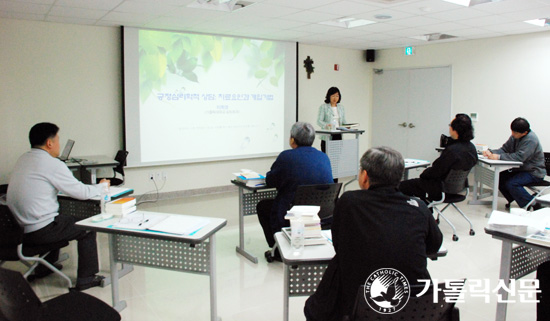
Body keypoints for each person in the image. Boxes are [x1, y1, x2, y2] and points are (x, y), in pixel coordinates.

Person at [304, 147, 443, 320]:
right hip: (416, 309)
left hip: (361, 306)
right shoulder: (418, 207)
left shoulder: (349, 202)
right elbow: (434, 245)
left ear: (364, 176)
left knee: (314, 307)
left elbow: (339, 245)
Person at [7, 122, 108, 291]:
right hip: (38, 232)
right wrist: (102, 186)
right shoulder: (52, 164)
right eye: (58, 140)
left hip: (14, 230)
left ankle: (44, 267)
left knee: (58, 217)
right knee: (88, 227)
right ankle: (87, 278)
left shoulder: (24, 158)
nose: (59, 144)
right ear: (49, 143)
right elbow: (82, 192)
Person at [256, 122, 333, 261]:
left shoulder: (286, 157)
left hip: (292, 212)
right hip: (321, 211)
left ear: (292, 139)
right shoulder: (323, 156)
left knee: (263, 206)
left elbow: (271, 181)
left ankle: (278, 248)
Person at [399, 113, 478, 205]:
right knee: (419, 185)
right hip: (459, 189)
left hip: (441, 189)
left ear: (455, 130)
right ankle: (428, 210)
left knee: (402, 186)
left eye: (450, 126)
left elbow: (436, 170)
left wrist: (424, 174)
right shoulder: (471, 148)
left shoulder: (452, 150)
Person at [483, 117, 546, 209]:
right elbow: (504, 149)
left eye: (515, 133)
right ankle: (517, 199)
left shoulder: (531, 139)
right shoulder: (515, 135)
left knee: (512, 183)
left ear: (525, 132)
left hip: (534, 172)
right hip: (522, 170)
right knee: (499, 178)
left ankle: (532, 204)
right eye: (512, 131)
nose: (512, 134)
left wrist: (498, 157)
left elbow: (520, 157)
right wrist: (491, 152)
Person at [317, 87, 347, 153]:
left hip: (338, 134)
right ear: (329, 96)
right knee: (327, 155)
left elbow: (344, 121)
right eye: (333, 96)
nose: (335, 98)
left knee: (337, 157)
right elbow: (319, 121)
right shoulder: (324, 107)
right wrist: (326, 125)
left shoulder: (341, 107)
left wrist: (347, 126)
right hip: (328, 134)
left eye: (337, 96)